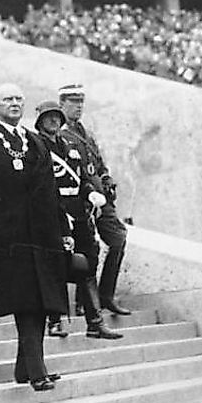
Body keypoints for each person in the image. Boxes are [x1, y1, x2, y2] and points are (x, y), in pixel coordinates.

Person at [0, 83, 71, 392]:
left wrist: (63, 230)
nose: (14, 103)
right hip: (6, 239)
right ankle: (37, 370)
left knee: (40, 301)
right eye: (7, 99)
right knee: (25, 303)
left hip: (41, 235)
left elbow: (51, 190)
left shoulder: (35, 142)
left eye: (19, 99)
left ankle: (26, 368)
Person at [34, 101, 123, 340]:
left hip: (78, 212)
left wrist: (89, 192)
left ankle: (95, 323)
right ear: (40, 121)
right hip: (52, 212)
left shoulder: (70, 146)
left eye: (56, 118)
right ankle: (54, 321)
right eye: (48, 118)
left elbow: (82, 177)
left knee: (87, 264)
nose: (53, 121)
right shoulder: (36, 146)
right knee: (54, 266)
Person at [58, 84, 131, 315]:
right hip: (80, 200)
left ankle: (106, 295)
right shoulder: (59, 134)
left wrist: (107, 179)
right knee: (87, 249)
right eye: (73, 101)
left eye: (81, 102)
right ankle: (83, 302)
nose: (78, 106)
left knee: (118, 239)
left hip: (101, 199)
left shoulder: (85, 133)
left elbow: (98, 164)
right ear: (62, 104)